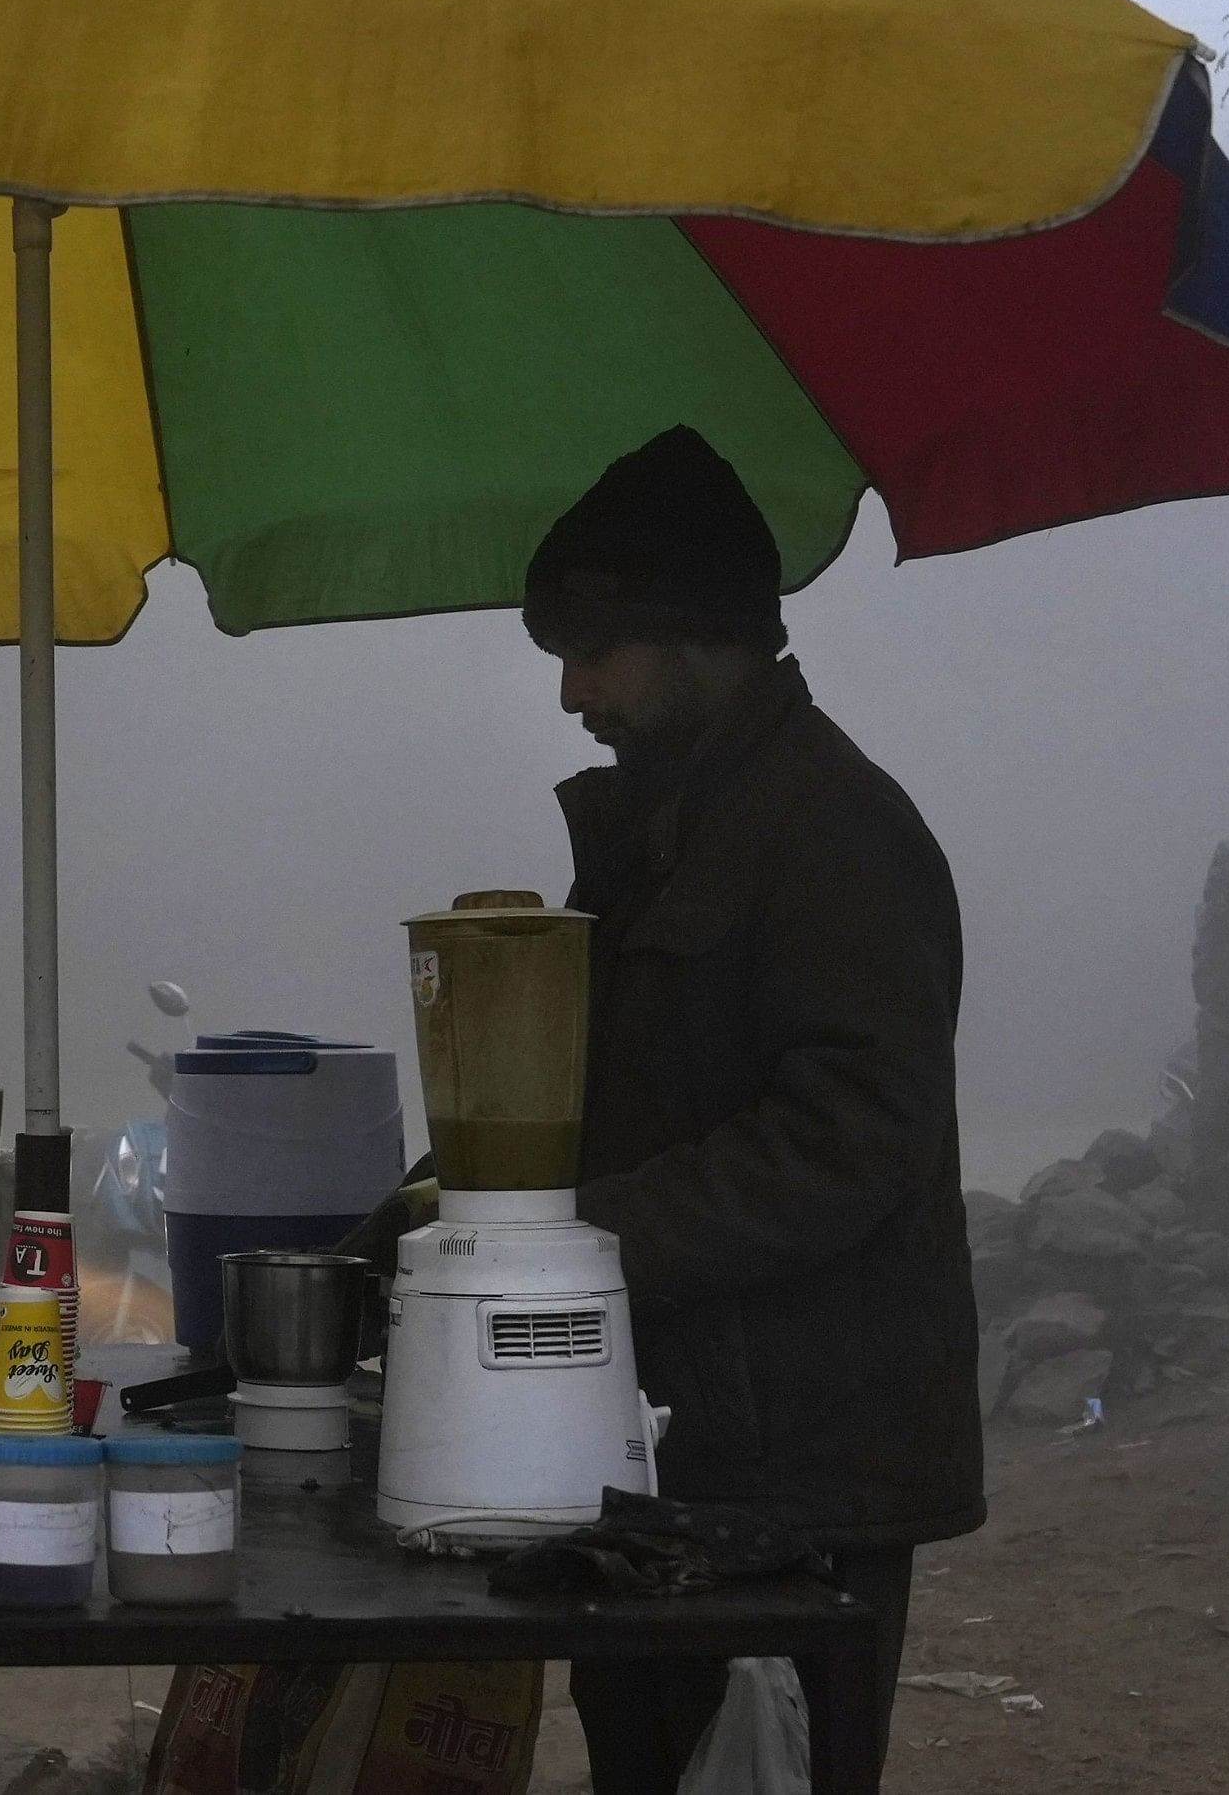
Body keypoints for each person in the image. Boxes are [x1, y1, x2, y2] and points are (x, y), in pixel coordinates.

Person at [524, 428, 979, 1795]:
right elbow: (625, 1091)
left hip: (802, 1463)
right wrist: (456, 1203)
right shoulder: (668, 830)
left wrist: (581, 1233)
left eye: (594, 648)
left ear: (698, 635)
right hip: (671, 1436)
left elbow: (856, 1131)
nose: (570, 690)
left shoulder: (833, 826)